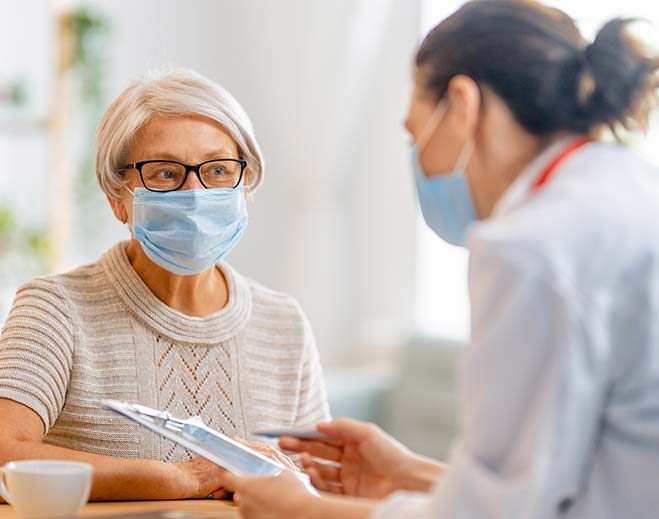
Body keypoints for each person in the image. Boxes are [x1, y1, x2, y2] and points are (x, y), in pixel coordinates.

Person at [221, 1, 659, 517]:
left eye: (415, 135)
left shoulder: (531, 247)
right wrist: (413, 474)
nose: (420, 162)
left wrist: (301, 510)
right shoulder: (629, 190)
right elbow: (565, 478)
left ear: (463, 102)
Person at [0, 68, 330, 501]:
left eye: (216, 170)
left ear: (245, 184)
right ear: (117, 197)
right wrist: (183, 477)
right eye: (165, 173)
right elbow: (5, 455)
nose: (194, 193)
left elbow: (318, 489)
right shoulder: (56, 308)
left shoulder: (283, 322)